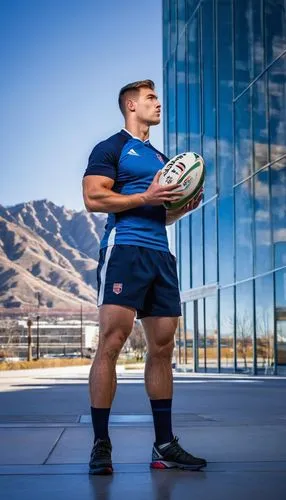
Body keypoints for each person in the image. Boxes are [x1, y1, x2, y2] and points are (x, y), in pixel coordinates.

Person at [82, 79, 206, 475]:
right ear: (130, 105)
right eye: (151, 98)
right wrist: (144, 198)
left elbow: (159, 211)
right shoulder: (112, 148)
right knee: (112, 341)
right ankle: (101, 445)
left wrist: (181, 209)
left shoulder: (161, 158)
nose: (158, 103)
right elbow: (93, 197)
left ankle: (164, 445)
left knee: (164, 347)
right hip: (126, 250)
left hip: (160, 255)